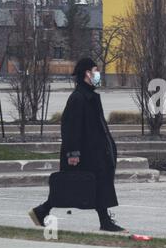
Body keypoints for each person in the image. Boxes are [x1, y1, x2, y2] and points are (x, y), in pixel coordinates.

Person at [28, 58, 126, 232]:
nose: (98, 74)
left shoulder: (89, 97)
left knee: (96, 186)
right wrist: (73, 153)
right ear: (87, 73)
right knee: (72, 187)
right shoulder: (78, 98)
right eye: (96, 70)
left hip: (95, 151)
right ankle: (42, 210)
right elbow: (70, 127)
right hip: (85, 153)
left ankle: (103, 221)